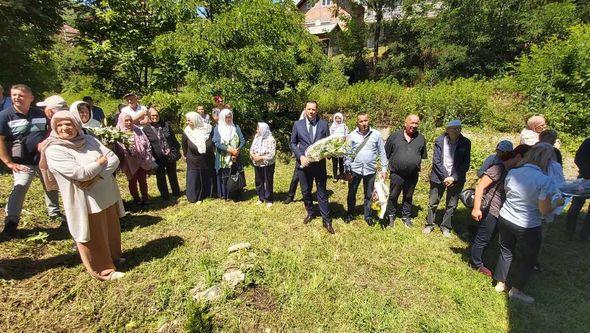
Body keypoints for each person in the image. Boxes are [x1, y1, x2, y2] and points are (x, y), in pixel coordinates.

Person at [41, 111, 125, 281]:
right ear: (54, 127)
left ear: (77, 125)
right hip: (83, 199)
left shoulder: (89, 140)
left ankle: (114, 257)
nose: (65, 127)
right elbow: (81, 174)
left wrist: (98, 176)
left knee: (110, 227)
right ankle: (103, 270)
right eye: (60, 125)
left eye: (69, 124)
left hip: (105, 193)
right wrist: (100, 163)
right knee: (93, 234)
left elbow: (114, 158)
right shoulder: (54, 149)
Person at [494, 144, 563, 304]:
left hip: (506, 216)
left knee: (506, 250)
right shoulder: (544, 180)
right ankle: (516, 290)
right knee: (528, 258)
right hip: (527, 224)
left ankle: (500, 283)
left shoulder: (514, 172)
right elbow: (544, 209)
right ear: (546, 160)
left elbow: (507, 192)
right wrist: (557, 202)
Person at [0, 85, 64, 238]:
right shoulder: (5, 116)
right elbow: (0, 139)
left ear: (31, 98)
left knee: (50, 185)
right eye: (14, 95)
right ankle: (11, 222)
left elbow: (53, 130)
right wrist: (8, 162)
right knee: (19, 188)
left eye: (21, 95)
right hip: (22, 162)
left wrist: (48, 143)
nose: (16, 98)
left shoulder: (40, 114)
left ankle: (54, 213)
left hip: (43, 159)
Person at [470, 144, 530, 277]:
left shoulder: (512, 170)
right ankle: (476, 263)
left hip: (501, 211)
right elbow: (480, 187)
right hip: (491, 208)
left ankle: (479, 258)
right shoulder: (499, 168)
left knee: (489, 237)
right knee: (483, 238)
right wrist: (476, 208)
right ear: (519, 156)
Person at [290, 101, 334, 234]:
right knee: (305, 191)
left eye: (314, 109)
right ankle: (310, 212)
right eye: (309, 109)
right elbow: (292, 143)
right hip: (303, 164)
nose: (311, 111)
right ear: (305, 109)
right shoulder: (298, 124)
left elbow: (328, 143)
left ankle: (326, 220)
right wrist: (300, 156)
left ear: (317, 110)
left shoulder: (323, 124)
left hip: (319, 165)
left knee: (322, 192)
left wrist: (328, 154)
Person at [424, 120, 471, 237]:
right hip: (439, 176)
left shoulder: (465, 142)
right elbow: (436, 161)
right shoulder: (440, 141)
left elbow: (465, 164)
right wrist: (446, 177)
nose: (456, 130)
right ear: (447, 130)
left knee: (452, 204)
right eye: (453, 128)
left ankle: (446, 226)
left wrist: (453, 178)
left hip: (456, 178)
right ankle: (429, 224)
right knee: (433, 202)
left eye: (458, 128)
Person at [344, 112, 387, 226]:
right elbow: (348, 154)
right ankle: (350, 214)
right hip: (355, 170)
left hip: (370, 170)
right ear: (357, 123)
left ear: (369, 120)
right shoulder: (352, 135)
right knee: (352, 193)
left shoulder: (376, 135)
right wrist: (347, 170)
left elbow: (382, 153)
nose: (364, 123)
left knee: (368, 194)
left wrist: (384, 169)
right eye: (361, 121)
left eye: (365, 120)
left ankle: (367, 216)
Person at [385, 114, 427, 228]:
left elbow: (422, 155)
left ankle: (406, 217)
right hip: (396, 174)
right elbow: (386, 154)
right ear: (405, 123)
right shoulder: (394, 136)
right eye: (411, 123)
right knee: (393, 196)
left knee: (408, 196)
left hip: (412, 175)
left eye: (416, 123)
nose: (414, 125)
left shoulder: (421, 138)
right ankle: (391, 215)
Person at [115, 112, 155, 205]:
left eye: (130, 120)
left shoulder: (137, 130)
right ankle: (136, 199)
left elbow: (147, 143)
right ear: (122, 121)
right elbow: (118, 149)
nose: (129, 122)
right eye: (126, 121)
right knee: (132, 181)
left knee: (143, 180)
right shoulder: (118, 134)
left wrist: (147, 155)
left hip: (142, 160)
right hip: (129, 162)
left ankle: (145, 198)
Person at [143, 107, 181, 200]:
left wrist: (176, 151)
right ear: (149, 116)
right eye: (152, 115)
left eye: (156, 115)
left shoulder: (166, 125)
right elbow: (146, 145)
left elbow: (173, 138)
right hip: (157, 157)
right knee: (160, 176)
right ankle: (165, 196)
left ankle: (176, 193)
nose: (155, 117)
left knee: (172, 174)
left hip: (169, 154)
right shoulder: (145, 129)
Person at [213, 109, 245, 200]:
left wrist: (237, 150)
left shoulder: (236, 127)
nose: (229, 118)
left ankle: (236, 193)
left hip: (236, 156)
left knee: (236, 174)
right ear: (223, 118)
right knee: (225, 175)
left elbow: (242, 140)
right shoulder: (217, 129)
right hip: (223, 158)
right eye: (227, 117)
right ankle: (225, 195)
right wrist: (229, 150)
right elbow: (217, 143)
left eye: (230, 116)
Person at [182, 112, 214, 203]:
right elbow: (184, 145)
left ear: (196, 120)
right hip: (193, 160)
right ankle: (194, 196)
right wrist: (185, 155)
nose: (187, 122)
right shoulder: (187, 131)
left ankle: (207, 193)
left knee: (206, 176)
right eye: (187, 120)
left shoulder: (207, 129)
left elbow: (213, 142)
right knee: (194, 178)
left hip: (207, 159)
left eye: (189, 121)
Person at [566, 137, 590, 241]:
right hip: (584, 179)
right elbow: (578, 159)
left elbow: (578, 159)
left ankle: (584, 234)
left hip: (584, 176)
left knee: (576, 205)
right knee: (576, 205)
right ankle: (569, 232)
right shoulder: (588, 142)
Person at [283, 110, 307, 204]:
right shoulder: (299, 126)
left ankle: (307, 197)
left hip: (311, 157)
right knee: (295, 178)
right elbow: (293, 142)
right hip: (300, 157)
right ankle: (290, 196)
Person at [250, 122, 276, 206]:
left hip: (267, 164)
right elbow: (251, 149)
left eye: (258, 128)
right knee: (259, 181)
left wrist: (260, 157)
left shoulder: (270, 139)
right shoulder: (257, 137)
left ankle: (269, 199)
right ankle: (261, 197)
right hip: (257, 163)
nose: (257, 130)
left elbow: (271, 154)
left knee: (268, 181)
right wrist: (253, 156)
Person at [329, 112, 349, 182]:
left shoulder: (344, 126)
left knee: (341, 163)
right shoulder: (332, 127)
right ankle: (335, 177)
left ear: (341, 119)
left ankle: (342, 176)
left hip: (342, 147)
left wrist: (345, 144)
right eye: (336, 118)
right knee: (334, 163)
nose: (338, 119)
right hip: (334, 147)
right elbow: (330, 137)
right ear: (334, 119)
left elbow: (347, 136)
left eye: (339, 118)